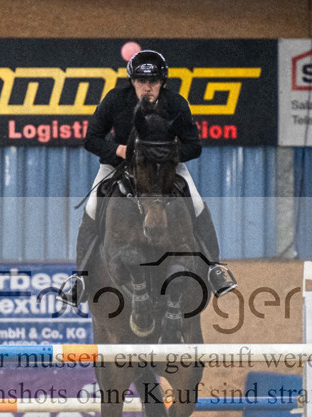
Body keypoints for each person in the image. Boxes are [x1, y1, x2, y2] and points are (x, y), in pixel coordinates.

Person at [58, 49, 237, 307]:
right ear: (132, 81)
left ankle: (214, 269)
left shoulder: (176, 104)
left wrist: (167, 155)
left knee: (196, 203)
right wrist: (117, 150)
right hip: (118, 164)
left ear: (162, 82)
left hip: (165, 166)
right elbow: (91, 139)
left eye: (153, 81)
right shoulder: (115, 100)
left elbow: (194, 146)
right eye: (141, 81)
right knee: (93, 207)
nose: (147, 87)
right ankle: (81, 278)